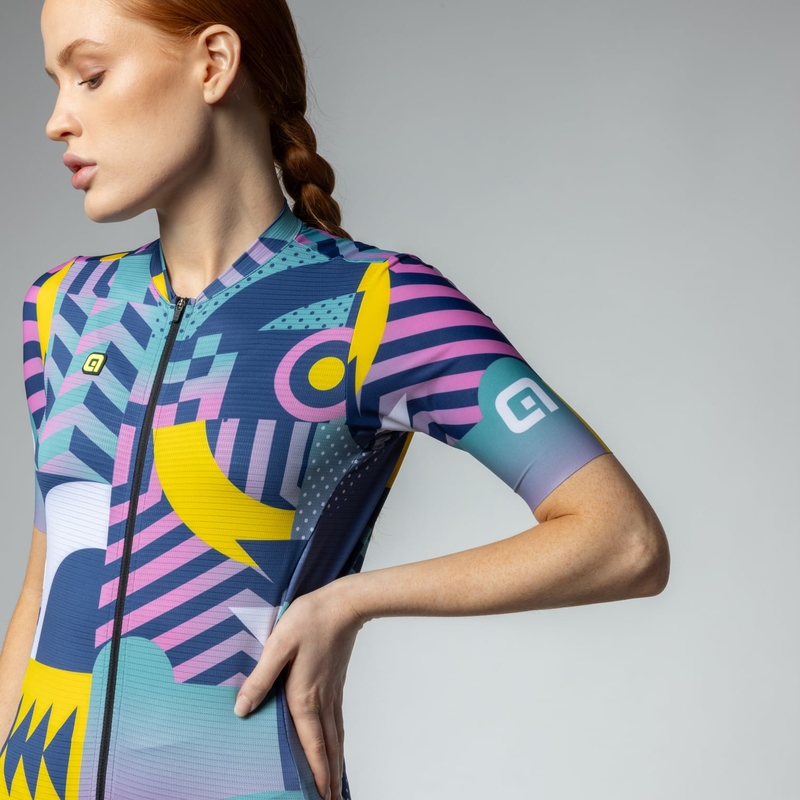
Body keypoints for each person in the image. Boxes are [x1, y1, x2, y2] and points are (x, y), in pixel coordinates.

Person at [0, 0, 670, 798]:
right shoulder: (64, 310)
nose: (57, 120)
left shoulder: (374, 307)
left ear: (214, 62)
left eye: (90, 76)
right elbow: (42, 595)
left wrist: (349, 602)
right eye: (56, 83)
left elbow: (623, 539)